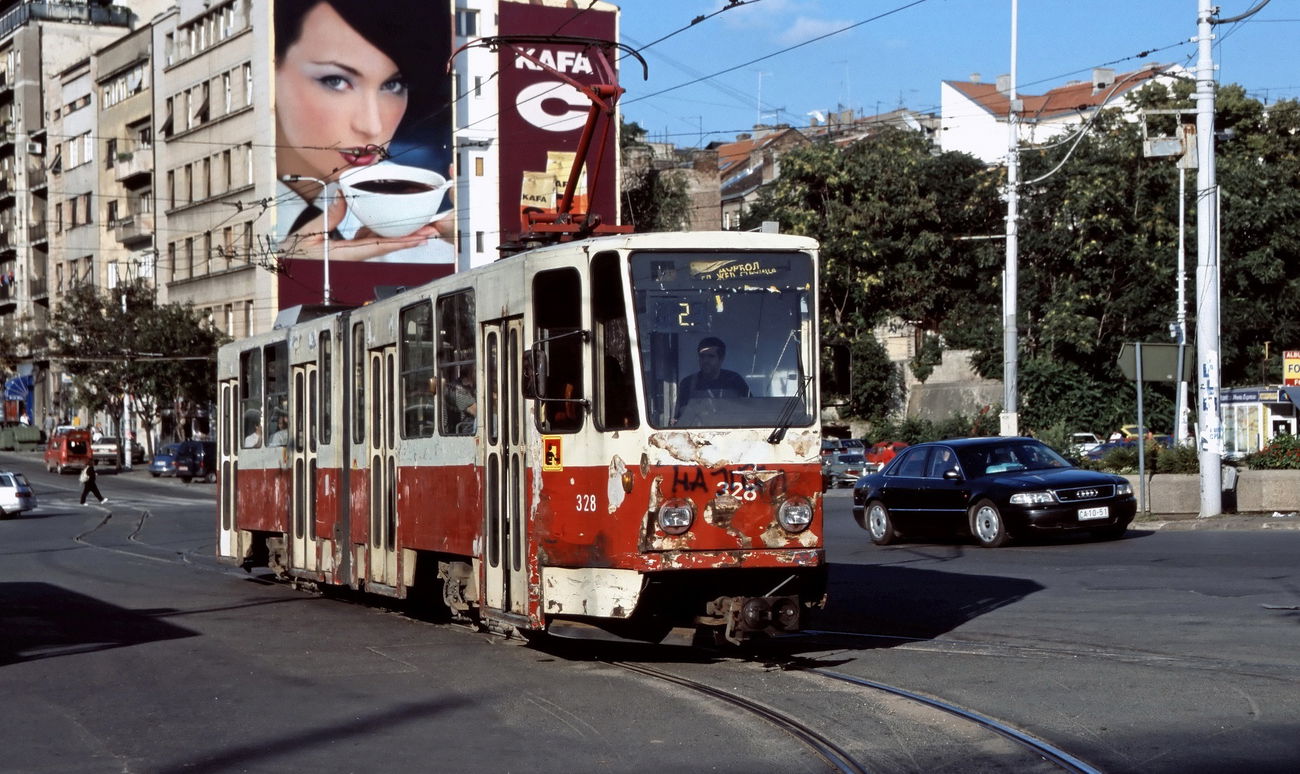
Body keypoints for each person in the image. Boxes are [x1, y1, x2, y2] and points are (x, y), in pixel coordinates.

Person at [274, 0, 453, 264]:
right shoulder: (235, 219)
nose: (371, 126)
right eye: (336, 81)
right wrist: (286, 261)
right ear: (270, 71)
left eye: (393, 85)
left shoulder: (420, 232)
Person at [675, 337, 750, 420]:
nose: (705, 360)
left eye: (711, 356)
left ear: (721, 359)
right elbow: (681, 416)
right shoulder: (688, 383)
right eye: (702, 356)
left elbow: (751, 410)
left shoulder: (735, 380)